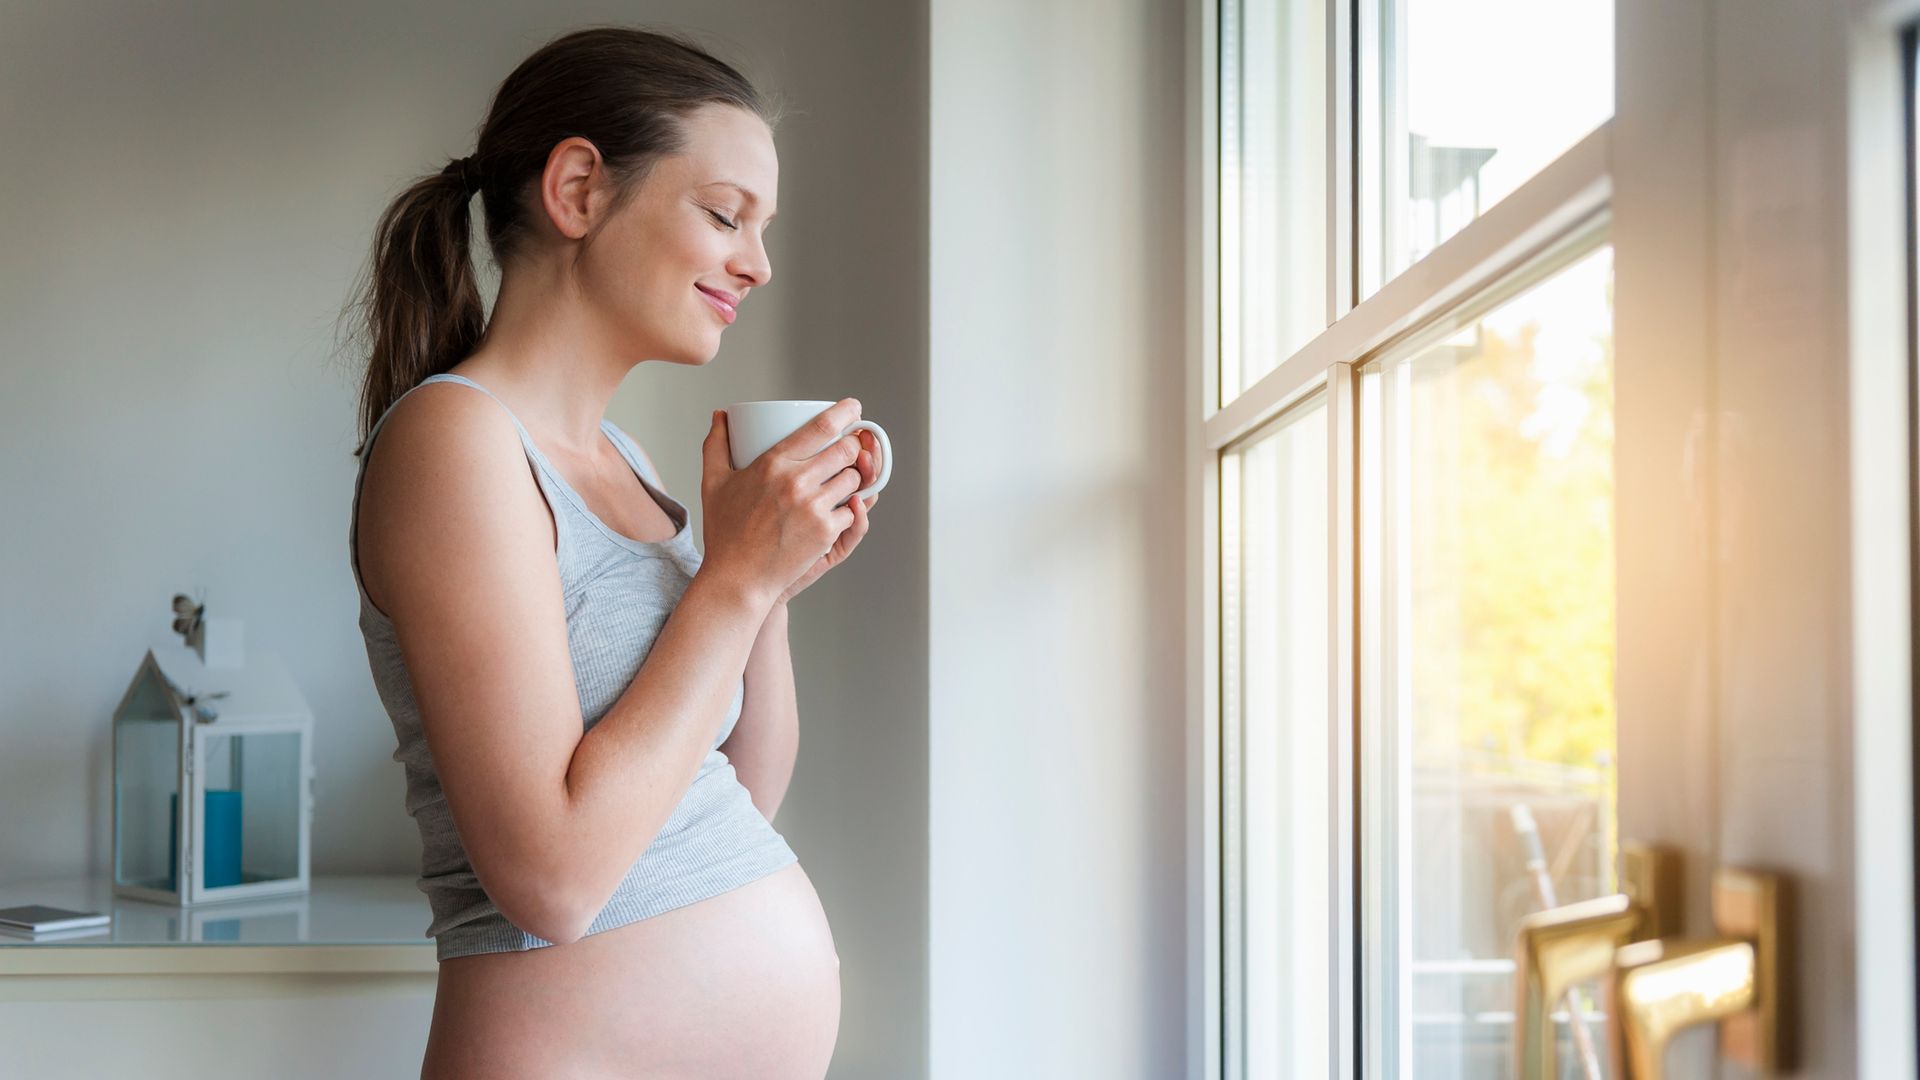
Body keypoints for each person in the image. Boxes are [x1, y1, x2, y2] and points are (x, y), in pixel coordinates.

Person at [340, 24, 878, 1079]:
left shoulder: (625, 465)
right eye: (726, 215)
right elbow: (553, 878)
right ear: (579, 189)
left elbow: (731, 801)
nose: (758, 264)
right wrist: (729, 583)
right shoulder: (454, 442)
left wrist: (766, 582)